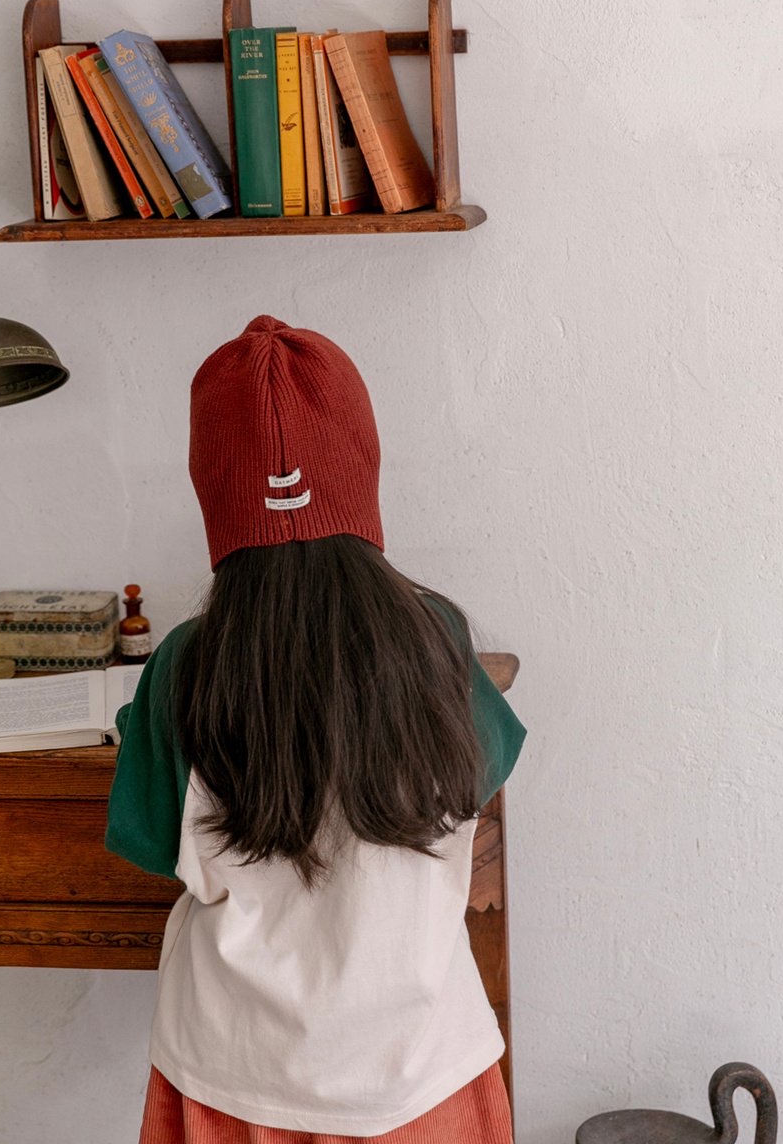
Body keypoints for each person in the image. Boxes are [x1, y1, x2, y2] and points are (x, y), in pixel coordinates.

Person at [106, 315, 526, 1144]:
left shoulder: (184, 666)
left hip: (233, 1080)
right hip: (423, 1071)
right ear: (362, 463)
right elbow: (484, 771)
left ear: (212, 490)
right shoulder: (436, 637)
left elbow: (153, 839)